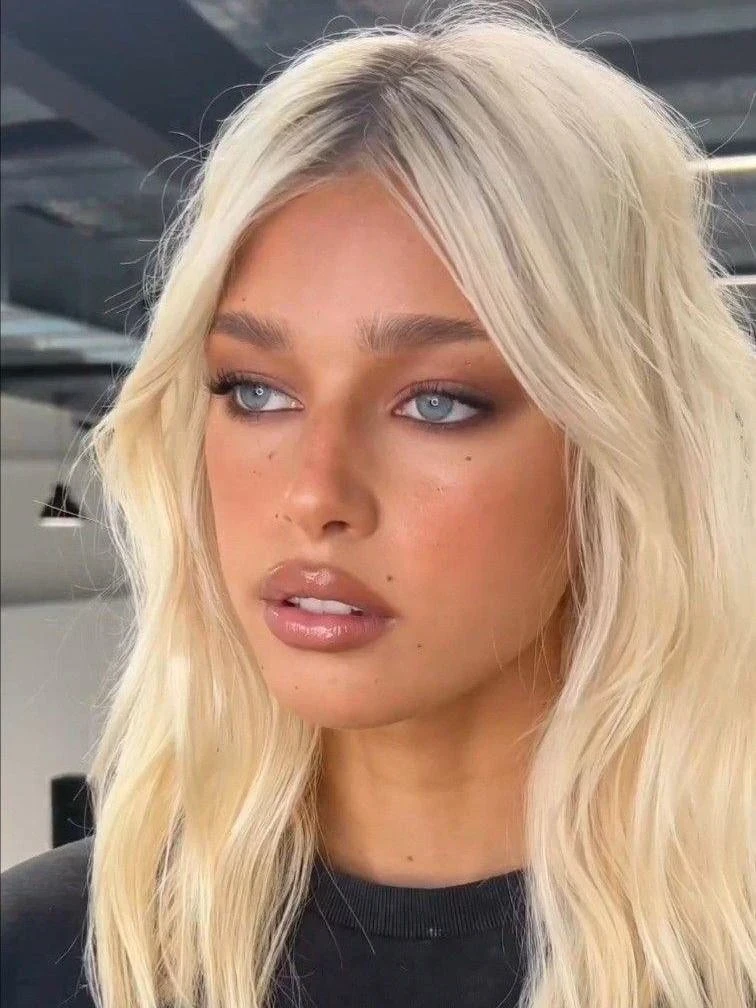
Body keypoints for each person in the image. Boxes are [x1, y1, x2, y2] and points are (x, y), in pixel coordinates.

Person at [2, 3, 754, 1007]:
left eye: (438, 403)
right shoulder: (50, 955)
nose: (315, 493)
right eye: (255, 391)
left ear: (621, 448)